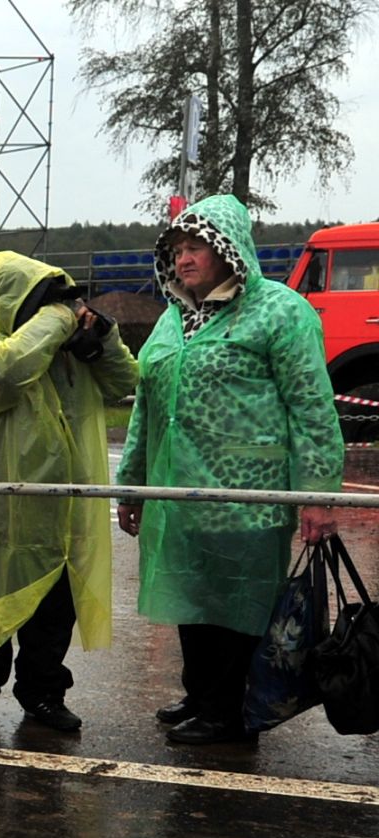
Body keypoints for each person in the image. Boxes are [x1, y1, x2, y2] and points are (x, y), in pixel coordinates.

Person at [115, 194, 344, 745]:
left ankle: (230, 714)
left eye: (196, 247)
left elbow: (311, 406)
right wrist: (132, 486)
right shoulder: (174, 319)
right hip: (178, 492)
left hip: (249, 493)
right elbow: (147, 409)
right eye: (177, 249)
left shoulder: (279, 311)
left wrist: (317, 492)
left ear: (228, 250)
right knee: (192, 597)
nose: (184, 259)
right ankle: (203, 696)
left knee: (238, 603)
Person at [0, 253, 138, 731]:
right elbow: (3, 375)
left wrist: (103, 339)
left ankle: (43, 695)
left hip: (60, 514)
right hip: (0, 512)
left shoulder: (68, 356)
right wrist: (56, 319)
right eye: (47, 304)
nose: (64, 312)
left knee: (53, 617)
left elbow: (126, 381)